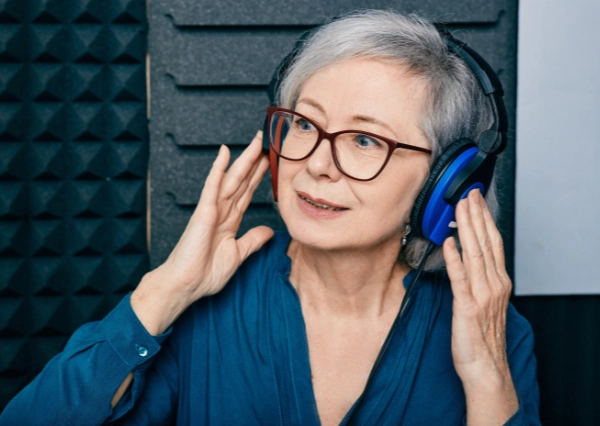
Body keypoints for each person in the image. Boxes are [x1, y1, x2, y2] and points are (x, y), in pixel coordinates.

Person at [0, 10, 540, 425]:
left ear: (444, 184)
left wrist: (486, 375)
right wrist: (163, 292)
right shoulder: (200, 312)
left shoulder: (492, 330)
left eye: (364, 139)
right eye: (304, 125)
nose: (318, 166)